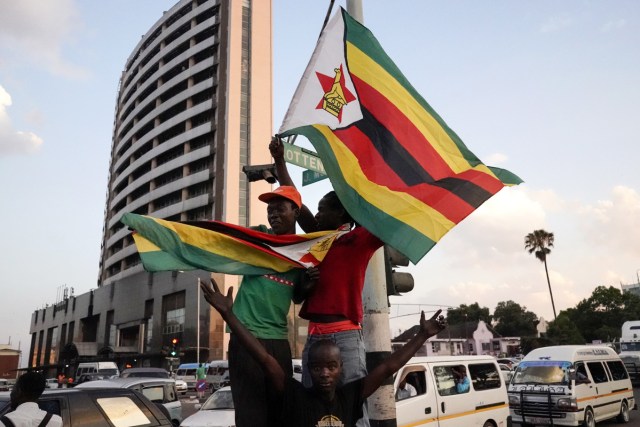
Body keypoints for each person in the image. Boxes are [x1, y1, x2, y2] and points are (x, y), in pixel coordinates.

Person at [200, 279, 446, 427]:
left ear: (341, 367)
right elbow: (264, 359)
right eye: (317, 368)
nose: (325, 374)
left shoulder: (350, 396)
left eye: (331, 366)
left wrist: (422, 335)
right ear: (308, 369)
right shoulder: (295, 396)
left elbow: (388, 367)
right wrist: (229, 316)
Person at [271, 136, 383, 423]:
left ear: (343, 212)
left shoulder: (360, 239)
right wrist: (280, 160)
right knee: (312, 407)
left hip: (346, 336)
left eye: (324, 209)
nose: (317, 214)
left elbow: (384, 213)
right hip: (315, 335)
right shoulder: (317, 237)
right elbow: (295, 199)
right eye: (317, 209)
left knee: (353, 408)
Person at [228, 185, 318, 427]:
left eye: (279, 209)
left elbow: (297, 297)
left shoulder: (303, 254)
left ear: (296, 212)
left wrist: (308, 287)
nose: (272, 215)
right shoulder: (258, 236)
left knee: (282, 411)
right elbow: (221, 241)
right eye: (269, 210)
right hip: (244, 336)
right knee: (250, 415)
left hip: (278, 341)